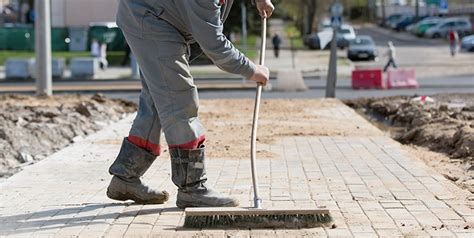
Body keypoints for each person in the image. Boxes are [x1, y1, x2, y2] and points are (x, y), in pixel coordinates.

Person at [106, 0, 274, 208]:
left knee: (158, 98)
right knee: (179, 99)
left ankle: (126, 176)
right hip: (150, 19)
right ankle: (192, 188)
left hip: (162, 17)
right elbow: (214, 45)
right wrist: (252, 70)